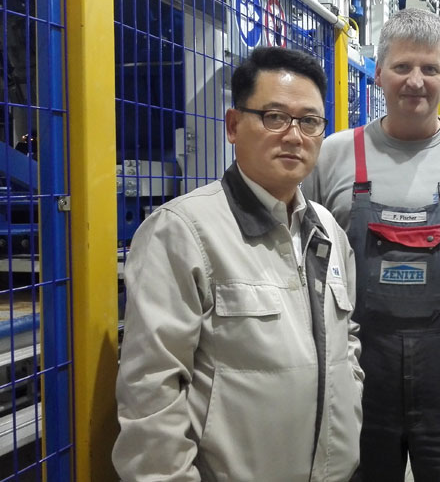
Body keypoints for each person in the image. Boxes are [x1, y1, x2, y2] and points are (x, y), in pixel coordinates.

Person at [113, 46, 364, 481]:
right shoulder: (182, 232)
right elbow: (150, 390)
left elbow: (348, 338)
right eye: (274, 117)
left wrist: (350, 395)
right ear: (233, 125)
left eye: (309, 122)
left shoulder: (327, 230)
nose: (294, 136)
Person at [302, 8, 440, 481]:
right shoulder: (333, 155)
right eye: (402, 66)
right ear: (379, 74)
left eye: (429, 68)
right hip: (357, 378)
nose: (415, 81)